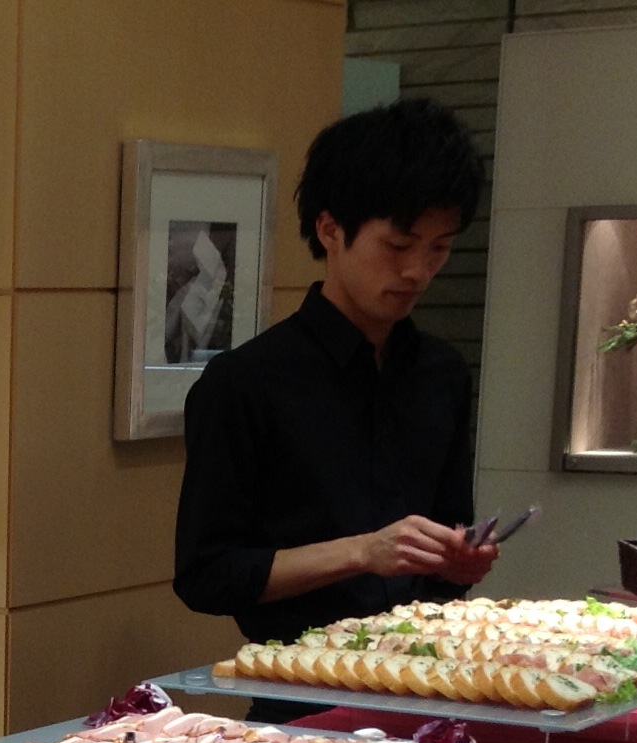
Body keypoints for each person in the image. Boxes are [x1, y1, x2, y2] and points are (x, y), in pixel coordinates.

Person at [174, 99, 493, 711]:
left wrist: (458, 562)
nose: (418, 270)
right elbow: (206, 576)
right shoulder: (245, 383)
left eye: (439, 248)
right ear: (330, 231)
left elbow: (445, 549)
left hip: (430, 690)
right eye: (397, 245)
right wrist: (362, 553)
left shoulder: (442, 374)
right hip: (298, 702)